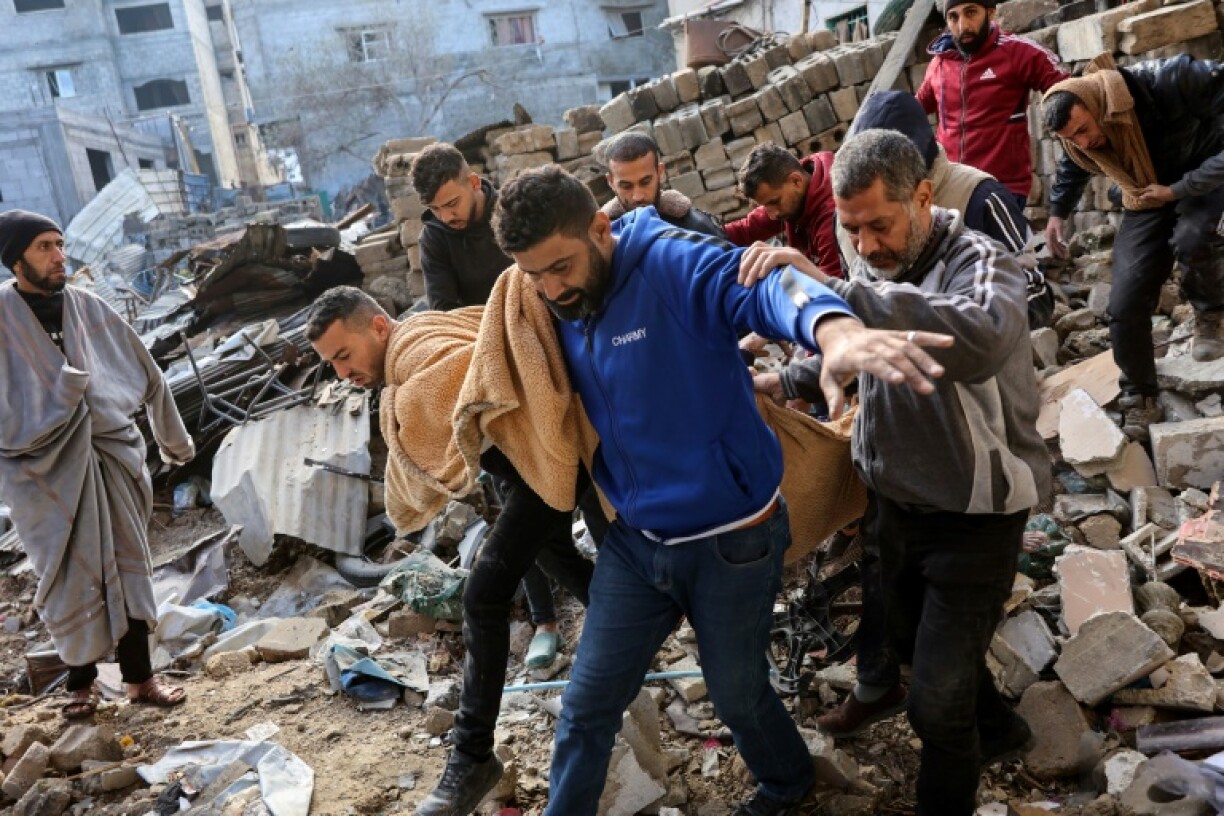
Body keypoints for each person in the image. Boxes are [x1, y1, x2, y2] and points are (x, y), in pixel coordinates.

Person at [493, 165, 950, 816]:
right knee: (587, 703)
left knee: (737, 695)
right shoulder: (540, 294)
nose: (550, 289)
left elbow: (767, 288)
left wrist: (832, 327)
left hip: (734, 539)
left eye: (560, 268)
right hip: (637, 543)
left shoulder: (670, 261)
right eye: (534, 276)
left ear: (601, 229)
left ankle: (789, 783)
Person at [746, 130, 1049, 816]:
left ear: (921, 198)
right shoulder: (875, 264)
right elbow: (866, 355)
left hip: (976, 515)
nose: (868, 245)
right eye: (852, 230)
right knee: (919, 647)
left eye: (880, 225)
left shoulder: (984, 261)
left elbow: (976, 340)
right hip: (894, 505)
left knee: (936, 702)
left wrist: (841, 290)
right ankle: (1002, 732)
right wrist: (787, 379)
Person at [306, 285, 594, 816]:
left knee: (483, 597)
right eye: (330, 364)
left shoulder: (413, 345)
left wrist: (402, 404)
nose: (340, 373)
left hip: (551, 459)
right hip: (535, 467)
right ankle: (634, 623)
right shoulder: (403, 357)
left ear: (378, 327)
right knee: (551, 553)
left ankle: (472, 758)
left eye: (343, 355)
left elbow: (462, 371)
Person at [0, 210, 193, 720]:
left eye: (60, 244)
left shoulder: (88, 307)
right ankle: (80, 686)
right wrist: (52, 406)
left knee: (130, 570)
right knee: (67, 577)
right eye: (44, 247)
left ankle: (140, 680)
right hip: (39, 472)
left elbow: (150, 376)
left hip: (110, 455)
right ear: (15, 258)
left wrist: (176, 445)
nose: (60, 256)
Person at [411, 141, 593, 674]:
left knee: (587, 475)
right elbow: (444, 310)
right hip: (488, 369)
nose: (447, 215)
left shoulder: (512, 213)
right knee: (516, 498)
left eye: (451, 202)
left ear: (473, 181)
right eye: (437, 210)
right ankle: (545, 621)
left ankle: (623, 601)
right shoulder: (436, 238)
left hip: (553, 355)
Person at [1043, 54, 1224, 433]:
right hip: (1144, 191)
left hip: (1203, 175)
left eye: (1083, 129)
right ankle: (1139, 394)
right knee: (1123, 302)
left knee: (1193, 238)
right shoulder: (1080, 136)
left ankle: (1211, 314)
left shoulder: (1176, 79)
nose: (1083, 141)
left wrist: (1181, 189)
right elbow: (1074, 164)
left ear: (1097, 105)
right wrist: (1058, 212)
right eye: (1071, 138)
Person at [916, 0, 1067, 206]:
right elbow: (914, 109)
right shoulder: (939, 63)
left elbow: (1068, 90)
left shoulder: (1017, 52)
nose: (963, 25)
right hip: (949, 187)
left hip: (1001, 188)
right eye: (954, 17)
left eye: (971, 13)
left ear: (991, 13)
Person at [724, 143, 844, 278]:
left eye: (774, 202)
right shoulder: (800, 181)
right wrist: (705, 232)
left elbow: (833, 288)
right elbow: (746, 230)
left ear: (796, 181)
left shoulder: (832, 216)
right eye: (765, 206)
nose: (772, 215)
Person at [599, 132, 724, 236]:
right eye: (626, 186)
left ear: (660, 172)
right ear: (610, 182)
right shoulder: (603, 241)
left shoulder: (696, 227)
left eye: (645, 182)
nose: (638, 196)